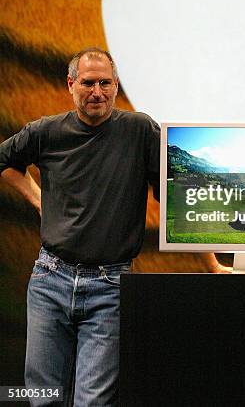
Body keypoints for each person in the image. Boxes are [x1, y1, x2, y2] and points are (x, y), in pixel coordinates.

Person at [0, 47, 160, 406]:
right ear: (71, 84)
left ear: (117, 86)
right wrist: (36, 196)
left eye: (106, 83)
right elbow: (5, 162)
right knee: (43, 397)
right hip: (49, 279)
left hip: (110, 285)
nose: (97, 92)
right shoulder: (45, 131)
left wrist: (211, 259)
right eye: (88, 83)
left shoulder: (140, 130)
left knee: (93, 401)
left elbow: (170, 193)